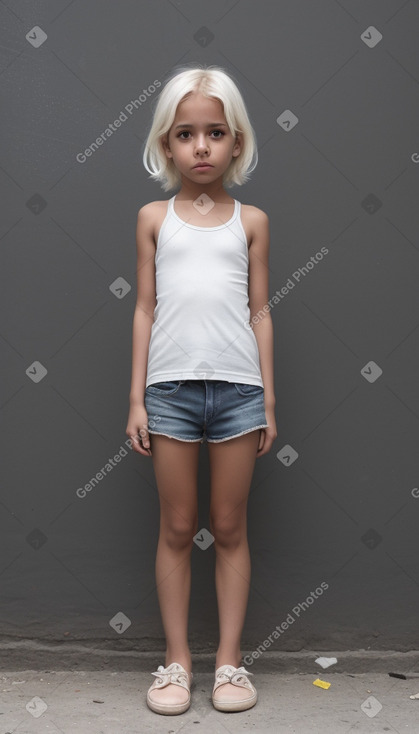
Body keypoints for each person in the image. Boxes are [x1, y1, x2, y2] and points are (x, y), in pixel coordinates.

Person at [126, 63, 277, 716]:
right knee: (178, 527)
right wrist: (136, 398)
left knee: (230, 526)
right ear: (166, 144)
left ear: (236, 140)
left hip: (239, 393)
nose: (201, 146)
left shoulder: (252, 221)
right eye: (186, 134)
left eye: (215, 132)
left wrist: (267, 399)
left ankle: (228, 665)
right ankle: (176, 662)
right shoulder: (153, 218)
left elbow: (261, 311)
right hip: (170, 394)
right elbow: (144, 308)